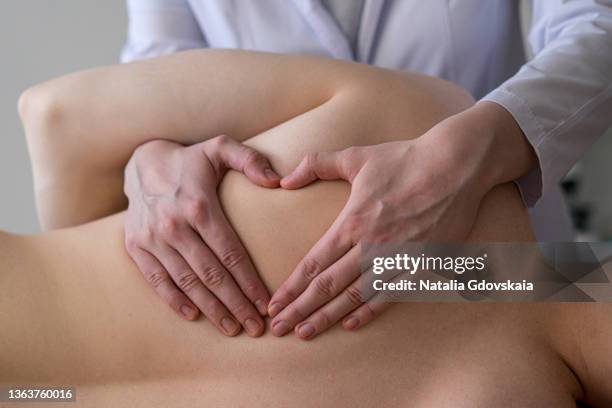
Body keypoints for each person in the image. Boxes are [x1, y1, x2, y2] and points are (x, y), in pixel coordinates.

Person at [11, 49, 612, 406]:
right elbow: (523, 285)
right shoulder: (499, 374)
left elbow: (53, 117)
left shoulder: (407, 122)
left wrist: (123, 225)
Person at [26, 0, 612, 339]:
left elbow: (599, 24)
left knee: (568, 318)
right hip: (266, 314)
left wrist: (462, 159)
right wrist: (147, 162)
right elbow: (154, 69)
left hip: (487, 261)